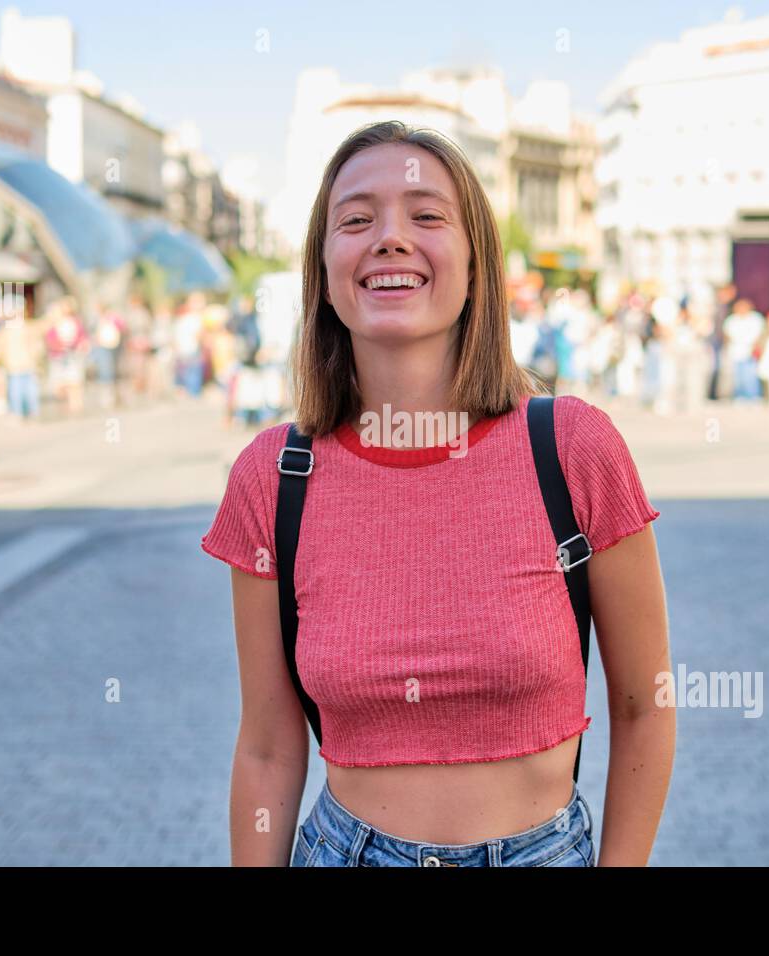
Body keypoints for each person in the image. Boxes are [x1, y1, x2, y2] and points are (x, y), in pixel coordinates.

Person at [201, 120, 672, 868]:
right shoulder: (273, 476)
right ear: (323, 270)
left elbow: (646, 707)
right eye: (355, 220)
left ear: (476, 262)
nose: (389, 238)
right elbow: (266, 745)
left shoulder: (574, 448)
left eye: (426, 216)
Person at [722, 298, 765, 401]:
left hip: (750, 351)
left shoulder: (755, 319)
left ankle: (753, 396)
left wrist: (755, 346)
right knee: (738, 376)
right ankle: (740, 396)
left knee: (751, 375)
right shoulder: (731, 320)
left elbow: (759, 335)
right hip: (736, 351)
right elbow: (727, 335)